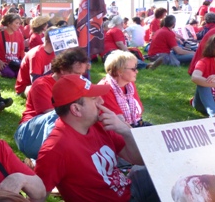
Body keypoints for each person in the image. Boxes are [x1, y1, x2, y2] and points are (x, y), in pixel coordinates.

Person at [35, 74, 158, 202]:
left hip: (129, 191)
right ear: (76, 109)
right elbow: (37, 195)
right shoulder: (55, 148)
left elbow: (139, 159)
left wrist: (125, 131)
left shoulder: (99, 124)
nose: (102, 101)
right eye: (94, 98)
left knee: (166, 169)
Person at [14, 48, 90, 160]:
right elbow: (53, 116)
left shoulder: (77, 84)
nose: (80, 77)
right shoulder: (41, 84)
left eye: (82, 74)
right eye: (77, 73)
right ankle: (47, 160)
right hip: (29, 134)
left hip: (54, 132)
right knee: (59, 114)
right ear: (63, 70)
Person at [98, 50, 150, 127]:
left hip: (135, 124)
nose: (137, 71)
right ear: (120, 71)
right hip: (120, 130)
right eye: (133, 69)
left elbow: (140, 109)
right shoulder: (105, 89)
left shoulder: (129, 84)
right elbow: (119, 121)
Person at [14, 30, 54, 95]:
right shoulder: (37, 54)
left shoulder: (55, 52)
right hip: (26, 88)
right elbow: (35, 82)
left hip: (44, 82)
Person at [0, 13, 25, 78]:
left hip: (15, 62)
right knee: (11, 74)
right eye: (16, 23)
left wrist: (23, 64)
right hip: (4, 63)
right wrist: (0, 62)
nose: (18, 25)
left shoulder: (19, 35)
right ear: (9, 23)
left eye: (19, 23)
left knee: (19, 75)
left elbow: (22, 51)